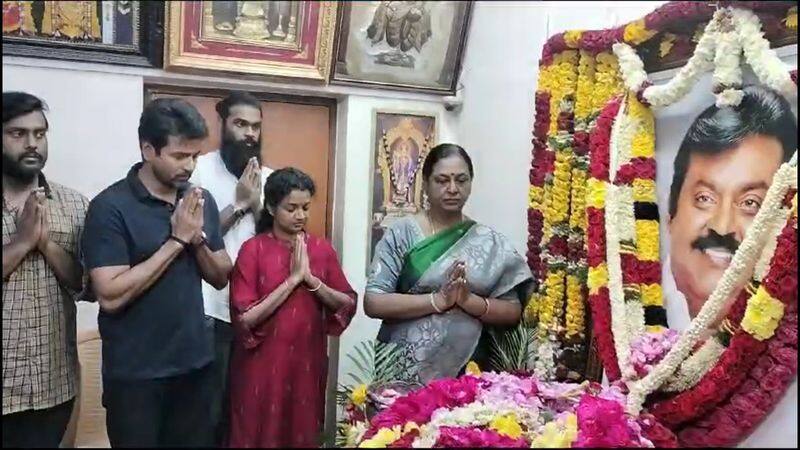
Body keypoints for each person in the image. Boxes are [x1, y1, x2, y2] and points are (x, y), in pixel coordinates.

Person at [82, 98, 233, 447]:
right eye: (180, 156)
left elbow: (222, 274)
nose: (190, 166)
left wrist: (196, 241)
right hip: (136, 377)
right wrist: (176, 241)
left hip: (195, 367)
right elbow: (110, 294)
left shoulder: (199, 200)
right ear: (148, 149)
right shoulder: (110, 208)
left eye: (195, 155)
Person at [364, 143, 534, 383]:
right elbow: (374, 301)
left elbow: (512, 310)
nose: (453, 189)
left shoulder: (489, 241)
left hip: (470, 370)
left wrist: (468, 301)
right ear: (425, 183)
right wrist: (438, 300)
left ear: (471, 182)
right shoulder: (401, 233)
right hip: (405, 370)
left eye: (461, 180)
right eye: (442, 180)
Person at [228, 167, 356, 448]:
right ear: (272, 208)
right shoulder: (253, 250)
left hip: (306, 365)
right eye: (291, 208)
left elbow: (347, 302)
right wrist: (292, 280)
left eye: (306, 208)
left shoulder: (322, 250)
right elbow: (245, 317)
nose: (301, 216)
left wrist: (311, 280)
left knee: (302, 433)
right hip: (260, 368)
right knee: (256, 433)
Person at [666, 85, 797, 328]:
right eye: (705, 198)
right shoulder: (632, 326)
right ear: (670, 218)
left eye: (751, 203)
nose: (722, 226)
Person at [2, 92, 89, 447]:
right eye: (17, 134)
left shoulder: (74, 205)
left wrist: (47, 245)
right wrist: (21, 242)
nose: (32, 144)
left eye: (40, 133)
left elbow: (86, 285)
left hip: (51, 387)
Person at [189, 91, 272, 446]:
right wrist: (239, 205)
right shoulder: (198, 170)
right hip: (209, 312)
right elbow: (192, 236)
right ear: (222, 125)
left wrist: (257, 207)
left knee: (247, 410)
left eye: (255, 126)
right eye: (240, 124)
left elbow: (278, 243)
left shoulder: (271, 178)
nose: (249, 134)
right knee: (207, 413)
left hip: (258, 312)